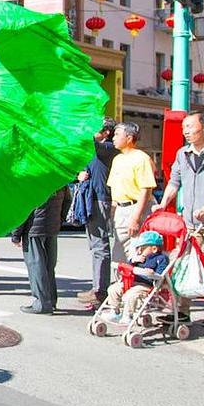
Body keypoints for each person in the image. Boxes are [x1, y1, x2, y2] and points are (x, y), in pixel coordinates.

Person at [153, 112, 204, 328]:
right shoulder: (183, 154)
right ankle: (181, 311)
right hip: (189, 223)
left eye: (190, 127)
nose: (185, 132)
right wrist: (163, 203)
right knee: (181, 263)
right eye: (184, 128)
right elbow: (174, 182)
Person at [76, 118, 119, 308]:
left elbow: (90, 141)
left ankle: (100, 290)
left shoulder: (108, 148)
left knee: (100, 245)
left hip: (101, 199)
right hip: (91, 198)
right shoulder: (97, 150)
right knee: (95, 245)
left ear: (106, 132)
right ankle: (97, 286)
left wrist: (85, 122)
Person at [12, 186, 70, 315]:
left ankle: (42, 303)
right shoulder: (59, 179)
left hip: (34, 228)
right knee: (49, 266)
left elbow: (23, 208)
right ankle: (51, 300)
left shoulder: (33, 179)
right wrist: (59, 219)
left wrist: (16, 234)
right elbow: (67, 200)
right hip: (52, 226)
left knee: (36, 266)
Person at [106, 122, 156, 262]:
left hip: (137, 208)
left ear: (129, 138)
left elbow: (146, 189)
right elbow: (114, 189)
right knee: (119, 254)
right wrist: (112, 212)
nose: (113, 138)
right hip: (120, 210)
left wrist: (135, 218)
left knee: (138, 252)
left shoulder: (141, 158)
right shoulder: (117, 159)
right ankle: (121, 276)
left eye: (117, 134)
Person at [101, 231, 169, 325]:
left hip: (145, 285)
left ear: (154, 249)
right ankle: (114, 311)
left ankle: (128, 315)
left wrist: (152, 273)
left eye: (142, 248)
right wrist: (133, 261)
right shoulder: (139, 258)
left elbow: (161, 275)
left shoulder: (161, 259)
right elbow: (129, 267)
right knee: (113, 289)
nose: (139, 251)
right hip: (131, 281)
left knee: (131, 295)